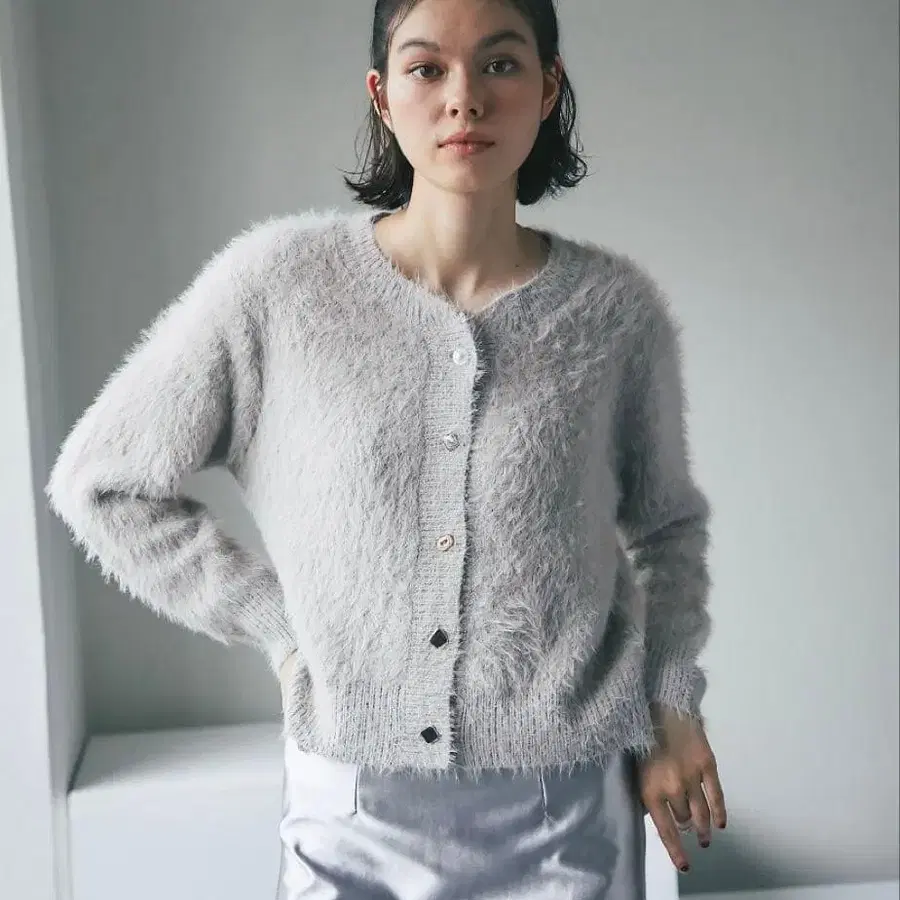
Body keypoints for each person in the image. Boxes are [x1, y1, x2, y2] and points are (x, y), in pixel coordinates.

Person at [44, 0, 728, 897]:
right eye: (426, 68)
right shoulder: (278, 286)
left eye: (500, 63)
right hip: (350, 821)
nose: (464, 98)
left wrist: (673, 703)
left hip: (569, 819)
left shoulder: (615, 314)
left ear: (549, 86)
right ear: (381, 94)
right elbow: (102, 482)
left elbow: (668, 530)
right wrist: (280, 630)